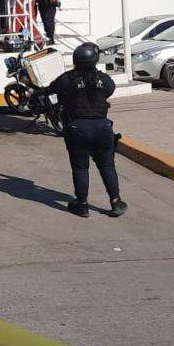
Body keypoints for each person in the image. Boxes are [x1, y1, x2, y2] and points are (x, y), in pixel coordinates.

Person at [49, 42, 126, 218]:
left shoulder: (67, 79)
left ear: (75, 60)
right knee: (107, 165)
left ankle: (82, 205)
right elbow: (109, 91)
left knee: (80, 168)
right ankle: (116, 202)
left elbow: (51, 89)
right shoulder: (104, 79)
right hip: (102, 127)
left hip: (77, 128)